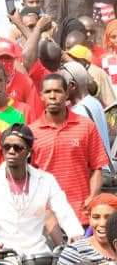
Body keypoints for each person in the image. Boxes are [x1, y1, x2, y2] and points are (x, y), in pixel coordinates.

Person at [0, 124, 83, 265]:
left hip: (39, 255)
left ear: (29, 152)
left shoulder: (46, 180)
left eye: (18, 148)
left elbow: (63, 209)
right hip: (3, 255)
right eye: (7, 147)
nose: (11, 151)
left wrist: (75, 234)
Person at [30, 72, 108, 224]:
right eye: (48, 92)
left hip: (81, 215)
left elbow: (97, 168)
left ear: (66, 94)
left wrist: (92, 197)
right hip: (47, 220)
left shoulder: (86, 126)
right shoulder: (32, 132)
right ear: (41, 96)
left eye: (58, 91)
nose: (53, 96)